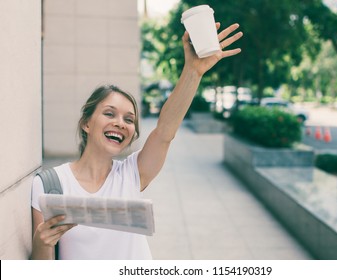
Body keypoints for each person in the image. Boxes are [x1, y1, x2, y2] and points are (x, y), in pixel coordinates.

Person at [31, 22, 243, 260]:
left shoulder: (132, 174)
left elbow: (165, 131)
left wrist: (193, 71)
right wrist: (41, 243)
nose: (121, 123)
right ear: (86, 123)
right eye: (109, 114)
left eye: (129, 119)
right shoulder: (49, 185)